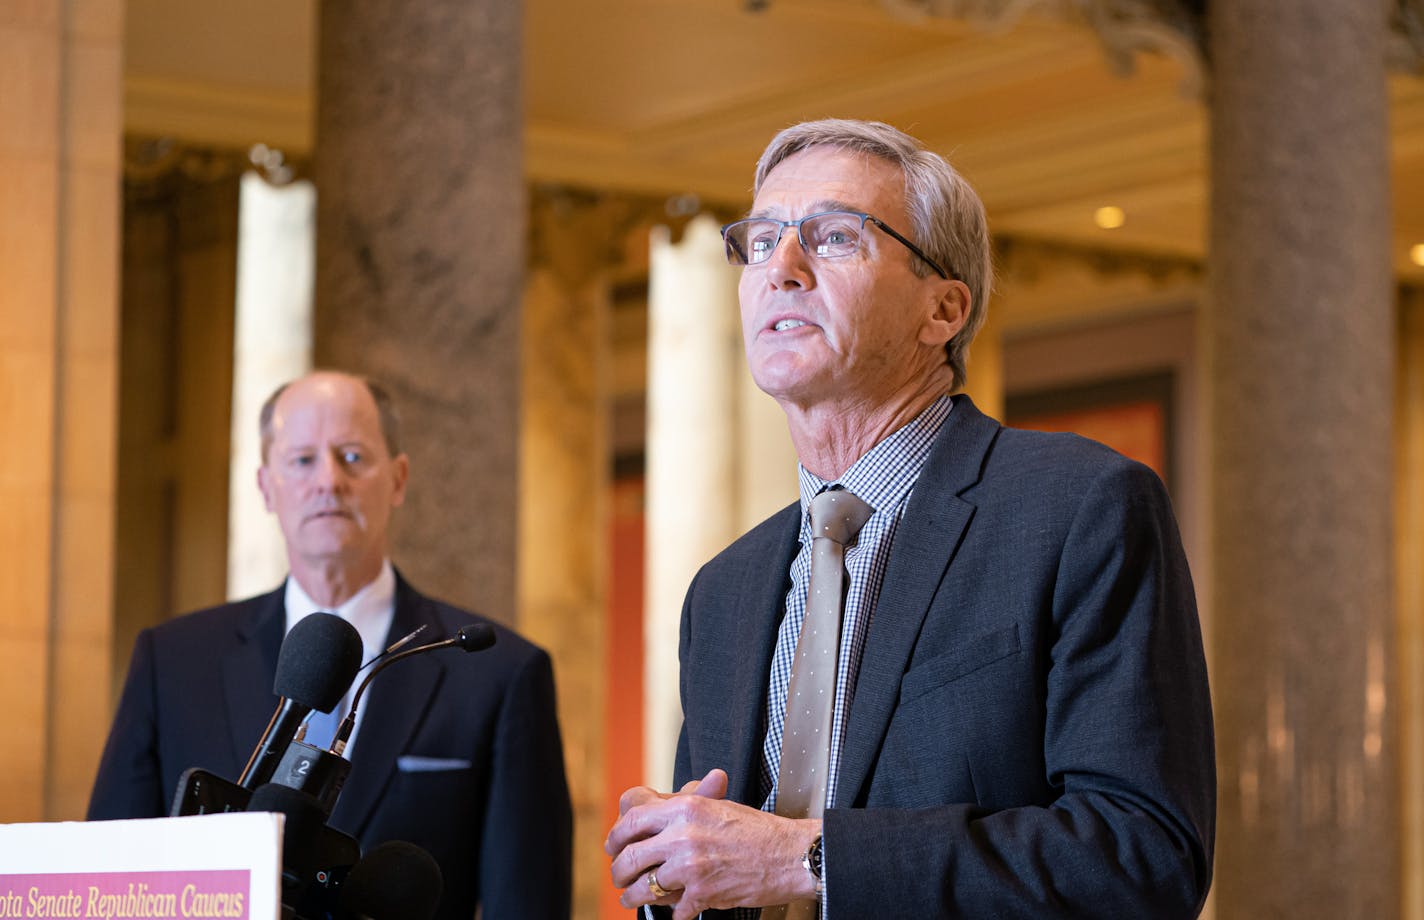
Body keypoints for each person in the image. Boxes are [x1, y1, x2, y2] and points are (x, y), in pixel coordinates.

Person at [606, 119, 1214, 919]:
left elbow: (1143, 855)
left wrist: (810, 859)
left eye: (833, 238)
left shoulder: (1078, 509)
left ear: (943, 310)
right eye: (760, 242)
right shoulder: (723, 591)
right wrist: (672, 870)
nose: (781, 269)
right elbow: (728, 876)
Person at [89, 370, 573, 920]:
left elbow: (528, 903)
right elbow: (107, 873)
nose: (329, 481)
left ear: (398, 479)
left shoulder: (499, 674)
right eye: (301, 460)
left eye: (352, 456)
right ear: (266, 487)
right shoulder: (172, 661)